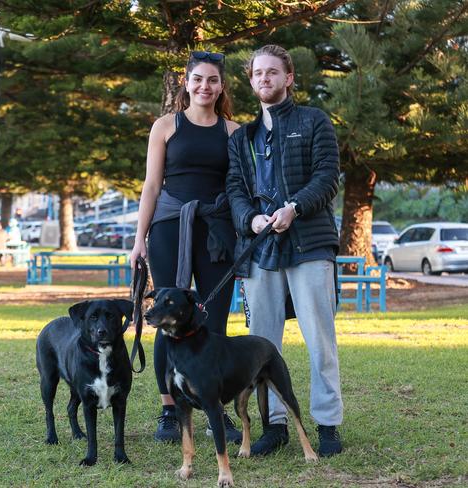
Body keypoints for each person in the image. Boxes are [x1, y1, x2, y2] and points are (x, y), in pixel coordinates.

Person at [226, 44, 343, 457]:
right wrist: (251, 221)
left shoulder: (314, 121)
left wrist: (294, 208)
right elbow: (235, 189)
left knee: (319, 339)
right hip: (260, 250)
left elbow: (328, 177)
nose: (264, 79)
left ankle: (327, 424)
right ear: (251, 79)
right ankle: (274, 425)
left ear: (289, 78)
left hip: (309, 244)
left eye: (272, 73)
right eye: (258, 73)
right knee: (261, 345)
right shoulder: (242, 137)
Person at [130, 50, 241, 444]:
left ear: (221, 86)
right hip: (167, 227)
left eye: (212, 80)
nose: (204, 86)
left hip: (215, 231)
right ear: (187, 83)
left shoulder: (233, 131)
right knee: (165, 319)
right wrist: (139, 239)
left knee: (214, 322)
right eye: (198, 79)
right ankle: (169, 409)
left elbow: (239, 188)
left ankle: (216, 406)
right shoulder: (165, 126)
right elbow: (152, 186)